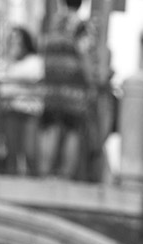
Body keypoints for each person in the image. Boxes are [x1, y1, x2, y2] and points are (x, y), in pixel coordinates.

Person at [37, 0, 89, 179]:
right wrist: (90, 82)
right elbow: (85, 54)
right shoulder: (80, 25)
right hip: (73, 87)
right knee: (71, 129)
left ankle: (45, 173)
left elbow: (41, 50)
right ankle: (65, 175)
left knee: (49, 127)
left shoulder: (51, 22)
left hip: (51, 86)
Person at [0, 27, 42, 175]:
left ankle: (33, 182)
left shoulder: (35, 61)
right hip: (11, 110)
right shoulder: (4, 62)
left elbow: (33, 76)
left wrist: (12, 78)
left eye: (18, 40)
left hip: (30, 111)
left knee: (30, 151)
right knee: (11, 150)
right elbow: (1, 88)